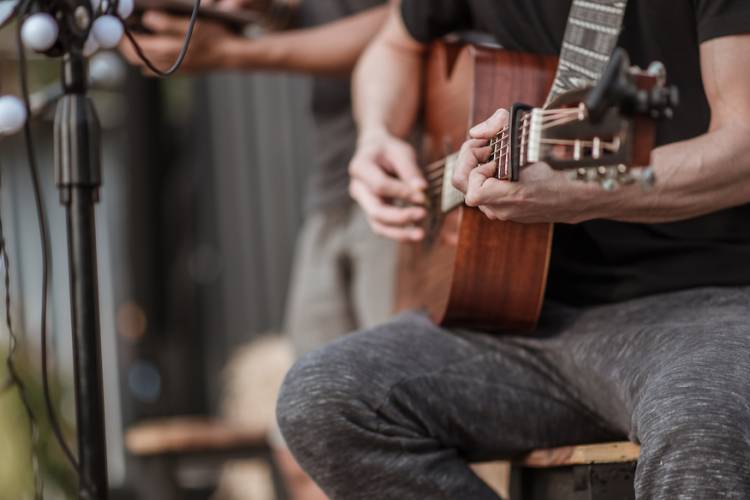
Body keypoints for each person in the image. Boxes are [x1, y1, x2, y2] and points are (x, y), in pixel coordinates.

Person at [276, 1, 750, 499]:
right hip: (526, 317)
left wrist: (586, 191)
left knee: (702, 417)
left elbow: (742, 148)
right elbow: (392, 43)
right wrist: (377, 134)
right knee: (325, 397)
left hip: (711, 304)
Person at [120, 0, 393, 358]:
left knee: (397, 381)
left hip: (407, 167)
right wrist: (269, 10)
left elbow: (413, 21)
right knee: (310, 393)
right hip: (333, 178)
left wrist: (232, 53)